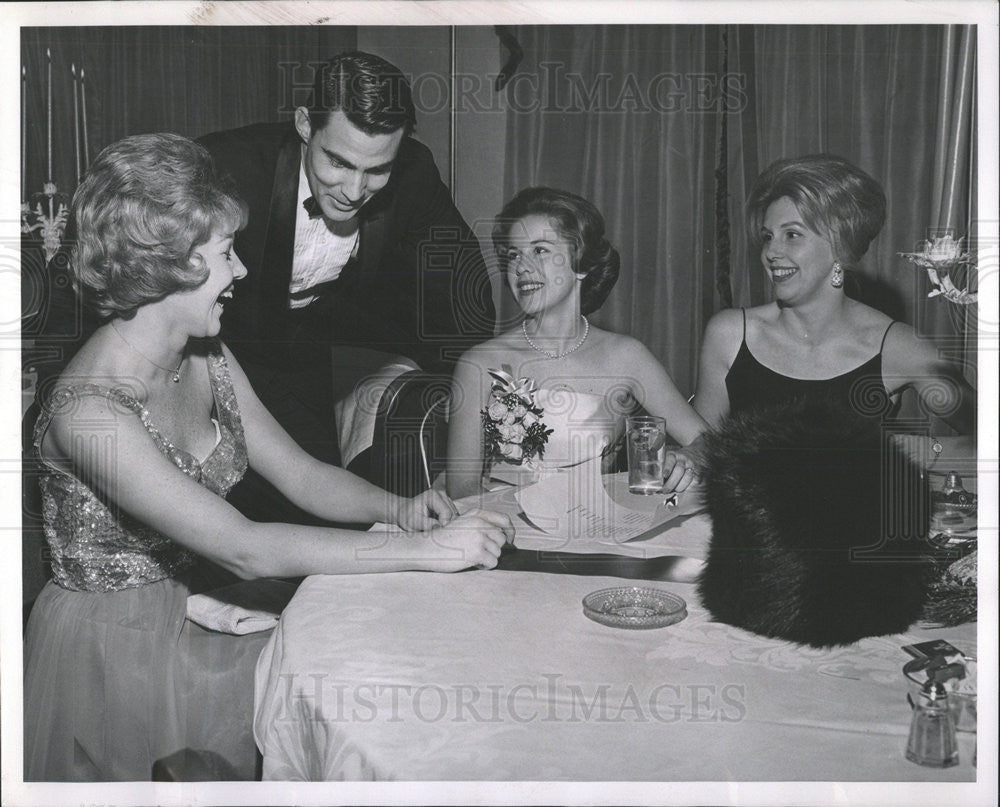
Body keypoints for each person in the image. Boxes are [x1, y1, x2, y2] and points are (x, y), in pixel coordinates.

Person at [23, 133, 512, 782]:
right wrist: (426, 551)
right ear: (168, 266)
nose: (242, 272)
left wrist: (404, 509)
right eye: (226, 253)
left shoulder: (207, 356)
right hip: (111, 658)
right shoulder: (90, 410)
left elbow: (302, 474)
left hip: (193, 604)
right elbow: (244, 546)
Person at [197, 50, 496, 522]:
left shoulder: (414, 174)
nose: (354, 191)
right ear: (303, 125)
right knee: (217, 518)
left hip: (304, 356)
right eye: (337, 161)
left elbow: (464, 300)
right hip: (211, 350)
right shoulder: (224, 166)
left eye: (377, 170)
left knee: (319, 516)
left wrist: (458, 432)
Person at [447, 187, 707, 499]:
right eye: (514, 255)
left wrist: (689, 458)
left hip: (597, 534)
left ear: (581, 264)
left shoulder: (627, 356)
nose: (521, 267)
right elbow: (462, 490)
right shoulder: (478, 363)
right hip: (503, 535)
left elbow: (709, 441)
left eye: (540, 250)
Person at [693, 153, 975, 441]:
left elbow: (987, 437)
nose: (771, 252)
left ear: (840, 247)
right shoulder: (729, 334)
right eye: (768, 236)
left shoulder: (897, 346)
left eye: (791, 235)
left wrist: (914, 452)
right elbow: (699, 455)